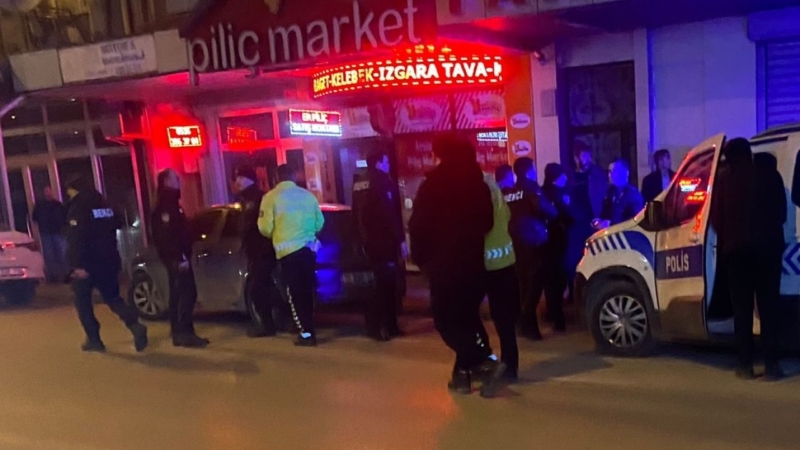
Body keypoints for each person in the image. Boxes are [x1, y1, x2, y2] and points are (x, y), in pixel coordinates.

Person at [409, 134, 504, 397]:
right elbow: (487, 223)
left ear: (441, 155)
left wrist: (422, 259)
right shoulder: (478, 184)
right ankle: (462, 377)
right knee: (467, 320)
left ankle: (482, 362)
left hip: (444, 267)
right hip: (473, 265)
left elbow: (418, 227)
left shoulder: (432, 186)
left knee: (446, 322)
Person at [711, 139, 785, 380]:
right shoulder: (771, 176)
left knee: (742, 312)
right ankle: (772, 366)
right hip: (768, 253)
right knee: (769, 309)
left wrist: (729, 238)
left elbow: (716, 219)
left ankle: (745, 365)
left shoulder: (724, 180)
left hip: (737, 255)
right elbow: (782, 214)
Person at [65, 176, 147, 353]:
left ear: (73, 189)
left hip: (87, 263)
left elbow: (76, 238)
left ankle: (94, 339)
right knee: (113, 298)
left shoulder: (78, 208)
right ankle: (135, 326)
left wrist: (77, 265)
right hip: (109, 260)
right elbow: (118, 222)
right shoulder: (104, 205)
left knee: (83, 302)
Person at [258, 164, 324, 347]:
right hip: (309, 251)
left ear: (276, 178)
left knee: (295, 294)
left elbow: (265, 228)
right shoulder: (308, 196)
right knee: (307, 292)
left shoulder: (270, 198)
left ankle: (306, 334)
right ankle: (310, 329)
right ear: (294, 177)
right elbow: (320, 223)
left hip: (288, 253)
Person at [352, 150, 407, 341]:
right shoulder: (382, 181)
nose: (388, 165)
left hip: (366, 243)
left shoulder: (359, 182)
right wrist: (400, 240)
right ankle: (388, 326)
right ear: (378, 163)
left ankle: (375, 326)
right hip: (383, 242)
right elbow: (389, 213)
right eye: (386, 161)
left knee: (374, 285)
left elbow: (355, 214)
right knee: (387, 285)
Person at [151, 169, 209, 348]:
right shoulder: (166, 206)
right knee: (186, 293)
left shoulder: (172, 203)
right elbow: (167, 236)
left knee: (180, 293)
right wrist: (179, 257)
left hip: (178, 257)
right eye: (175, 178)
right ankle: (183, 333)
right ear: (167, 181)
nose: (179, 180)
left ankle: (180, 332)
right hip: (177, 259)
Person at [503, 157, 557, 340]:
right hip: (533, 242)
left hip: (514, 243)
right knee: (535, 285)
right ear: (529, 171)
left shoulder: (509, 192)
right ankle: (525, 320)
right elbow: (548, 210)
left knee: (523, 285)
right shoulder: (532, 188)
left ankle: (530, 328)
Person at [233, 167, 282, 338]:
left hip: (263, 250)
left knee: (257, 288)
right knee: (263, 288)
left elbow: (260, 226)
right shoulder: (245, 200)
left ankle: (268, 325)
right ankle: (272, 322)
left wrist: (263, 246)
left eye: (241, 178)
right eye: (237, 178)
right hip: (254, 252)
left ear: (250, 180)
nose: (237, 182)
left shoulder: (259, 199)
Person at [482, 166, 520, 382]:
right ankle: (510, 364)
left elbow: (483, 228)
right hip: (506, 260)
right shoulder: (498, 198)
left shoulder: (483, 198)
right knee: (506, 319)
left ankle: (497, 364)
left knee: (499, 317)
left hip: (490, 264)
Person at [565, 146, 607, 296]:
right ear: (576, 158)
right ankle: (573, 290)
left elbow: (603, 194)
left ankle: (594, 289)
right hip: (575, 222)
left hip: (593, 221)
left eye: (588, 156)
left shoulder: (597, 174)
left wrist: (600, 216)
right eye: (583, 156)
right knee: (573, 258)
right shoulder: (570, 175)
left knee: (595, 255)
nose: (587, 159)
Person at [541, 163, 573, 332]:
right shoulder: (558, 195)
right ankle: (558, 319)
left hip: (544, 242)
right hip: (557, 241)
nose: (565, 178)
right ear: (556, 178)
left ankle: (551, 313)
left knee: (549, 280)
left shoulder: (541, 192)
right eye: (562, 175)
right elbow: (567, 218)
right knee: (558, 279)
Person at [32, 186, 68, 283]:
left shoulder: (58, 205)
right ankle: (54, 276)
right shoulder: (41, 205)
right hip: (47, 233)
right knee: (50, 256)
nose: (48, 193)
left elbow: (64, 217)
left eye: (49, 191)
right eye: (46, 191)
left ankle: (65, 274)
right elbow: (35, 217)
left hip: (57, 232)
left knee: (61, 254)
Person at [595, 159, 644, 230]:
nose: (610, 175)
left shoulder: (633, 195)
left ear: (626, 173)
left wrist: (611, 224)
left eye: (614, 171)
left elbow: (633, 220)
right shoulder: (610, 192)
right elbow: (605, 213)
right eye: (609, 171)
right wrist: (599, 221)